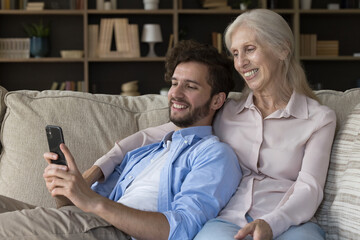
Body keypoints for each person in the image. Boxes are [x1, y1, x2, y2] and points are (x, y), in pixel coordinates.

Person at [83, 9, 337, 240]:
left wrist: (271, 223)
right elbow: (156, 134)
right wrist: (99, 168)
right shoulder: (227, 110)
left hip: (290, 223)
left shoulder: (319, 118)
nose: (241, 63)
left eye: (249, 49)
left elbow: (310, 188)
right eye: (236, 53)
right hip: (228, 221)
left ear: (283, 49)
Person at [0, 40, 242, 240]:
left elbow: (179, 229)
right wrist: (64, 189)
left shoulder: (215, 154)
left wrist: (91, 201)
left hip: (120, 233)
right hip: (91, 221)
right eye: (174, 83)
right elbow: (80, 207)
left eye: (190, 86)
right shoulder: (150, 149)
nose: (175, 94)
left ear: (217, 101)